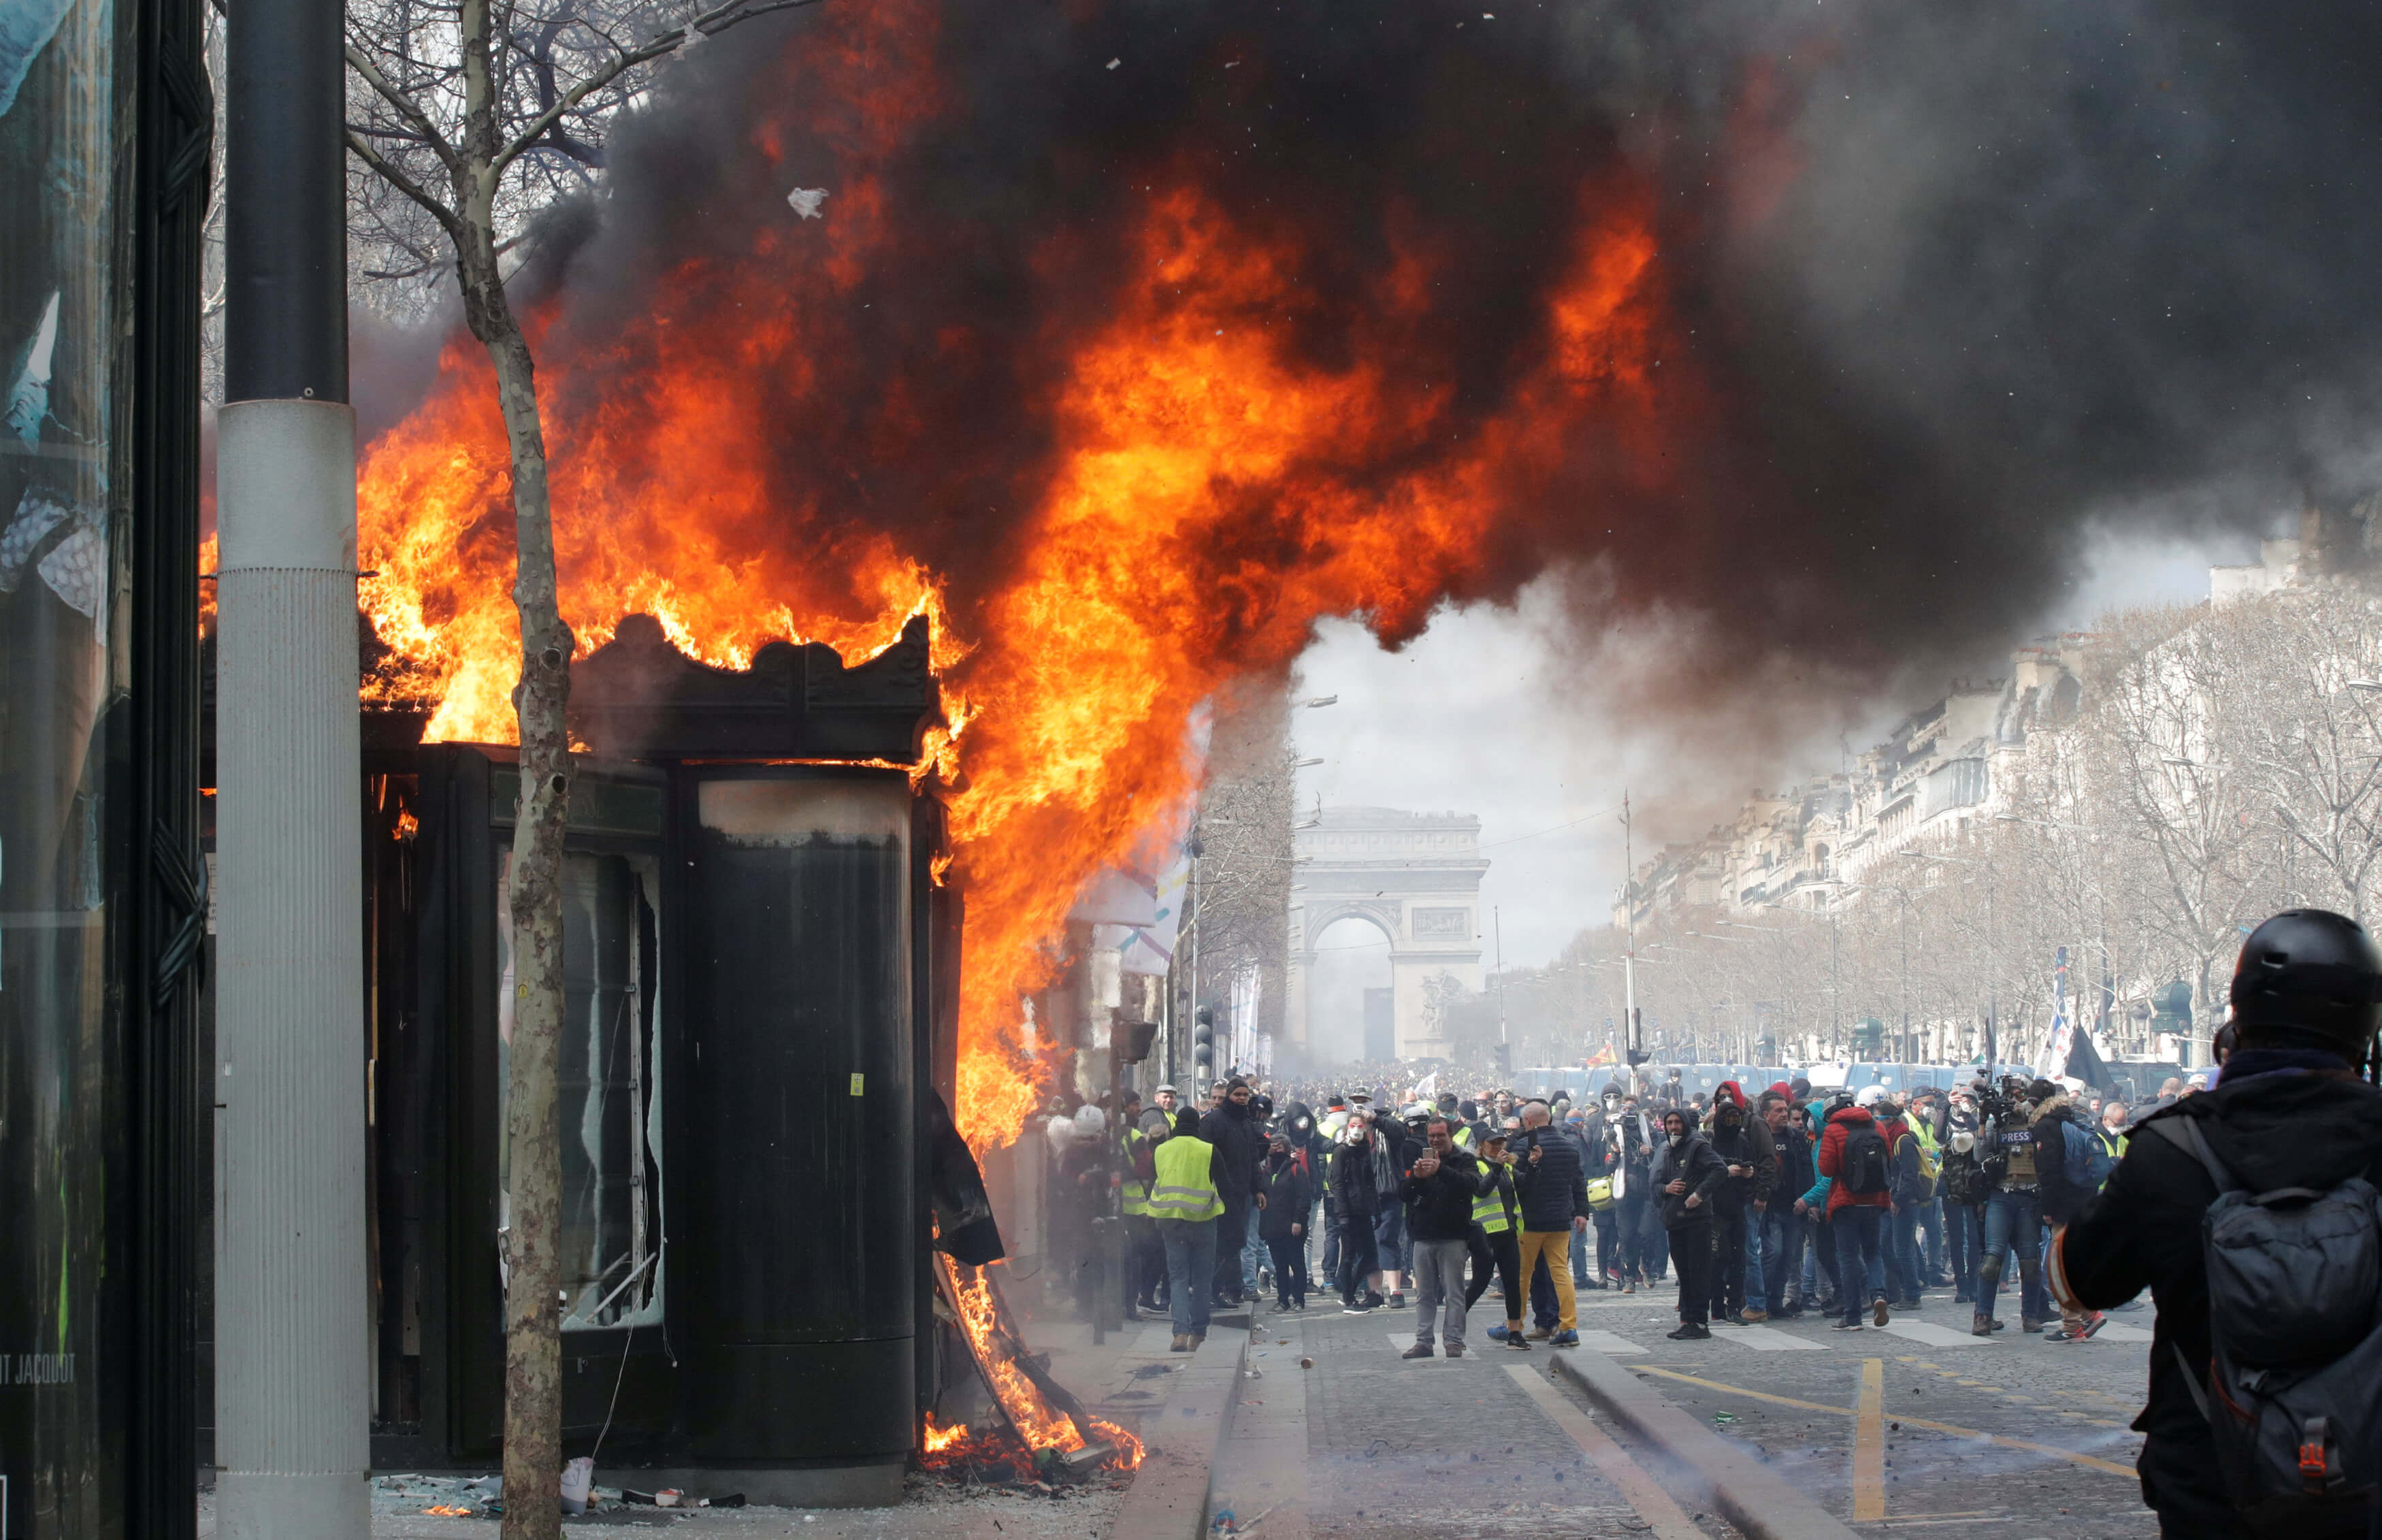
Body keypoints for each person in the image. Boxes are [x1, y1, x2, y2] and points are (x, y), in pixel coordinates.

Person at [2056, 910, 2382, 1538]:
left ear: (2238, 1020)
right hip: (2365, 1485)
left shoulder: (2169, 1149)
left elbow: (2074, 1283)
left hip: (2214, 1484)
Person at [1399, 1119, 1482, 1358]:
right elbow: (1403, 1194)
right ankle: (1423, 1342)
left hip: (1453, 1236)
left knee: (1454, 1292)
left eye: (1440, 1136)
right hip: (1423, 1236)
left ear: (1451, 1135)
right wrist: (1416, 1177)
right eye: (1432, 1136)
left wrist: (1441, 1171)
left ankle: (1454, 1341)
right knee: (1424, 1294)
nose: (1435, 1140)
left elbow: (1472, 1186)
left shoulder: (1464, 1159)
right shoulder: (1420, 1158)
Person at [1512, 1100, 1590, 1347]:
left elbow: (1519, 1184)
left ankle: (1515, 1323)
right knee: (1561, 1273)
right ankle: (1568, 1325)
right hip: (1560, 1220)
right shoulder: (1569, 1146)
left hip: (1531, 1221)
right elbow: (1578, 1181)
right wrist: (1582, 1212)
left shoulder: (1525, 1146)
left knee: (1523, 1274)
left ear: (1528, 1121)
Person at [1145, 1111, 1224, 1352]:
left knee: (1177, 1278)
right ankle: (1198, 1333)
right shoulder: (1209, 1150)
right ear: (1198, 1125)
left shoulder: (1162, 1150)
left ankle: (1180, 1333)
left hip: (1171, 1223)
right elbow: (1225, 1183)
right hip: (1203, 1221)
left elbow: (1152, 1181)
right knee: (1202, 1280)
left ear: (1177, 1124)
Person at [1816, 1089, 1893, 1332]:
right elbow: (1888, 1158)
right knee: (1873, 1253)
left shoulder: (1833, 1130)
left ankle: (1852, 1315)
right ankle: (1879, 1295)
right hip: (1876, 1199)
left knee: (1848, 1257)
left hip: (1846, 1201)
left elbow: (1827, 1169)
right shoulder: (1877, 1126)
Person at [1651, 1107, 1726, 1339]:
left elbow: (1719, 1169)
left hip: (1696, 1219)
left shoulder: (1696, 1144)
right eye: (1670, 1123)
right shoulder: (1669, 1148)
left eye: (1677, 1123)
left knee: (1698, 1271)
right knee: (1684, 1273)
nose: (1673, 1127)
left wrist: (1699, 1195)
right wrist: (1666, 1189)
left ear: (1685, 1123)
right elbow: (1658, 1182)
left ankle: (1700, 1322)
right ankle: (1688, 1320)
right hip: (1675, 1219)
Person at [1703, 1081, 1775, 1324]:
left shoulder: (1746, 1138)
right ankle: (1717, 1306)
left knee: (1740, 1257)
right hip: (1715, 1207)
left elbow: (1761, 1162)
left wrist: (1751, 1179)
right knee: (1717, 1257)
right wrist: (1726, 1172)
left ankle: (1736, 1305)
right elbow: (1701, 1174)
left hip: (1739, 1205)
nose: (1732, 1121)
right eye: (1728, 1117)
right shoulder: (1708, 1141)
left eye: (1736, 1116)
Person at [1199, 1077, 1267, 1307]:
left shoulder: (1246, 1123)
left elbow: (1253, 1159)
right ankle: (1214, 1291)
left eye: (1245, 1095)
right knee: (1224, 1244)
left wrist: (1258, 1189)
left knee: (1237, 1242)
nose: (1242, 1099)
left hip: (1243, 1195)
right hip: (1220, 1194)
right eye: (1238, 1095)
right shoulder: (1213, 1122)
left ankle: (1231, 1290)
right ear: (1229, 1096)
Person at [1467, 1130, 1531, 1349]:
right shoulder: (1476, 1165)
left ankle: (1515, 1333)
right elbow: (1481, 1191)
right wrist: (1497, 1167)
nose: (1497, 1147)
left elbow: (1525, 1187)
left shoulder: (1507, 1167)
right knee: (1479, 1284)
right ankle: (1453, 1328)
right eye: (1492, 1144)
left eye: (1500, 1143)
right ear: (1482, 1146)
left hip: (1508, 1233)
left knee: (1513, 1284)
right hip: (1485, 1234)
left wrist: (1534, 1165)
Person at [1757, 1089, 1811, 1317]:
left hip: (1793, 1207)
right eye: (1778, 1111)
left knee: (1788, 1257)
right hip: (1769, 1209)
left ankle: (1776, 1302)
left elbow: (1807, 1170)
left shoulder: (1796, 1138)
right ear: (1766, 1115)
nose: (1784, 1114)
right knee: (1773, 1253)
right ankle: (1760, 1299)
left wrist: (1807, 1199)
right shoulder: (1759, 1137)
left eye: (1785, 1109)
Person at [1331, 1112, 1386, 1312]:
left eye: (1361, 1126)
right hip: (1349, 1212)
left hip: (1364, 1211)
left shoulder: (1364, 1150)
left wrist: (1377, 1210)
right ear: (1347, 1128)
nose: (1357, 1129)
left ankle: (1349, 1290)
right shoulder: (1341, 1151)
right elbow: (1337, 1184)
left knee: (1370, 1255)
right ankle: (1348, 1298)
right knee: (1349, 1254)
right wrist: (1343, 1215)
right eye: (1353, 1125)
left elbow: (1370, 1183)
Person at [1258, 1133, 1312, 1311]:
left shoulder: (1296, 1169)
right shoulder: (1265, 1171)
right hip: (1273, 1228)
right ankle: (1282, 1300)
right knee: (1280, 1266)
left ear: (1287, 1149)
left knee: (1297, 1264)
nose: (1275, 1148)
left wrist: (1298, 1221)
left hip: (1293, 1227)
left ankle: (1299, 1299)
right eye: (1272, 1145)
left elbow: (1303, 1198)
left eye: (1279, 1145)